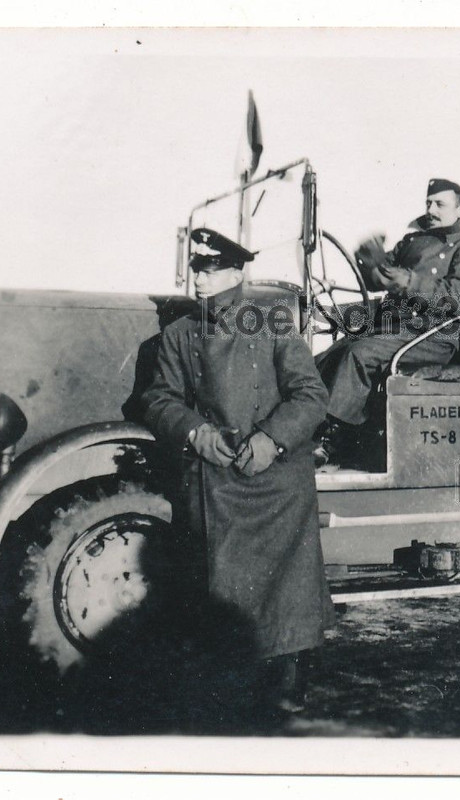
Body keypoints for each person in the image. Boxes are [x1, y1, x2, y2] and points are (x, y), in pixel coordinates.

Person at [142, 227, 334, 714]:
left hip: (275, 472)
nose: (200, 280)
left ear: (236, 272)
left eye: (210, 270)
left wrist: (272, 438)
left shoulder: (270, 321)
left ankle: (290, 671)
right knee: (219, 583)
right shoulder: (179, 335)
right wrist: (194, 433)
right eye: (196, 271)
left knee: (286, 580)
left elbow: (310, 395)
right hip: (217, 472)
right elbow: (158, 399)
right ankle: (232, 672)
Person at [314, 178, 460, 466]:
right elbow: (377, 278)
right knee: (325, 357)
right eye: (428, 203)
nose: (431, 209)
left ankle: (328, 440)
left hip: (432, 335)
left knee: (358, 355)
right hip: (390, 330)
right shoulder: (411, 242)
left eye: (439, 204)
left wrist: (410, 281)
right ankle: (312, 431)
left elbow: (459, 297)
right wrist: (371, 262)